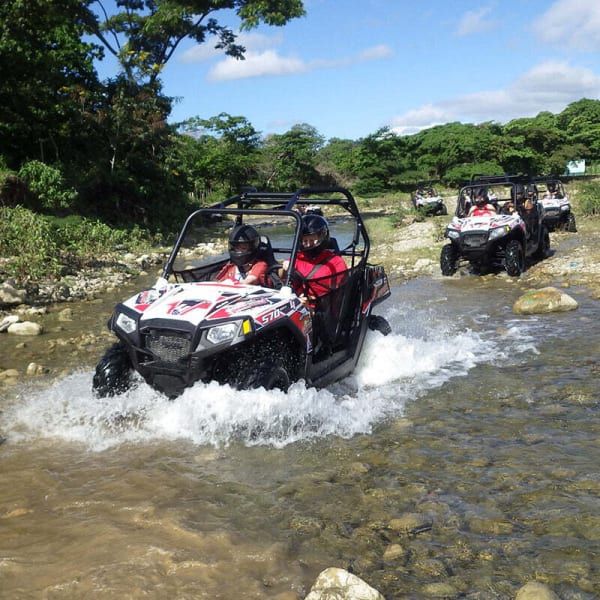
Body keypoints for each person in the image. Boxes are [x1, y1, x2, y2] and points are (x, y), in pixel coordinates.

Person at [283, 214, 347, 308]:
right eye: (305, 241)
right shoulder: (297, 258)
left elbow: (338, 294)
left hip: (321, 308)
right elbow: (283, 280)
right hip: (296, 304)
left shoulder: (335, 262)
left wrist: (308, 301)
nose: (308, 244)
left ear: (322, 238)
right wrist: (284, 268)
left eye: (312, 240)